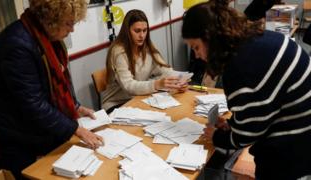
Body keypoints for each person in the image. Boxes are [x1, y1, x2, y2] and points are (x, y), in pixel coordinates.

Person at [182, 1, 311, 179]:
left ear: (210, 37)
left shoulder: (240, 67)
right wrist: (235, 125)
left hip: (290, 151)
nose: (196, 55)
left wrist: (218, 137)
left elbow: (248, 135)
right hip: (297, 131)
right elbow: (260, 107)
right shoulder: (252, 40)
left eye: (196, 47)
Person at [0, 0, 104, 179]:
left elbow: (59, 86)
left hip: (40, 132)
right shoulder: (17, 46)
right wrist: (77, 129)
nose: (72, 29)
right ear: (51, 19)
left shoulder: (47, 38)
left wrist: (75, 107)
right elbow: (33, 104)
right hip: (20, 141)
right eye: (69, 23)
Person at [103, 9, 187, 113]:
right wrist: (156, 84)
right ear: (127, 31)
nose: (142, 35)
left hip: (138, 99)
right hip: (117, 104)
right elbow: (129, 86)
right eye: (137, 31)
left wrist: (178, 80)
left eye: (145, 30)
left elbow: (164, 69)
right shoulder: (118, 51)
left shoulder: (147, 47)